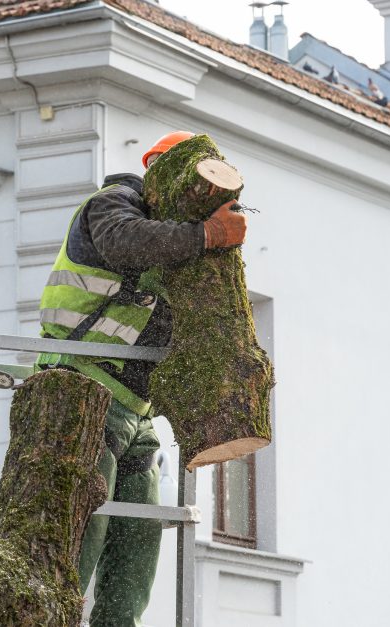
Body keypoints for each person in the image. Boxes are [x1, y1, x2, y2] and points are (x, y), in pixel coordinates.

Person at [35, 130, 246, 626]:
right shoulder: (114, 204)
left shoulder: (182, 244)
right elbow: (127, 243)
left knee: (137, 544)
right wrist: (205, 237)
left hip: (136, 409)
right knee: (80, 536)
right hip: (83, 385)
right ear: (162, 176)